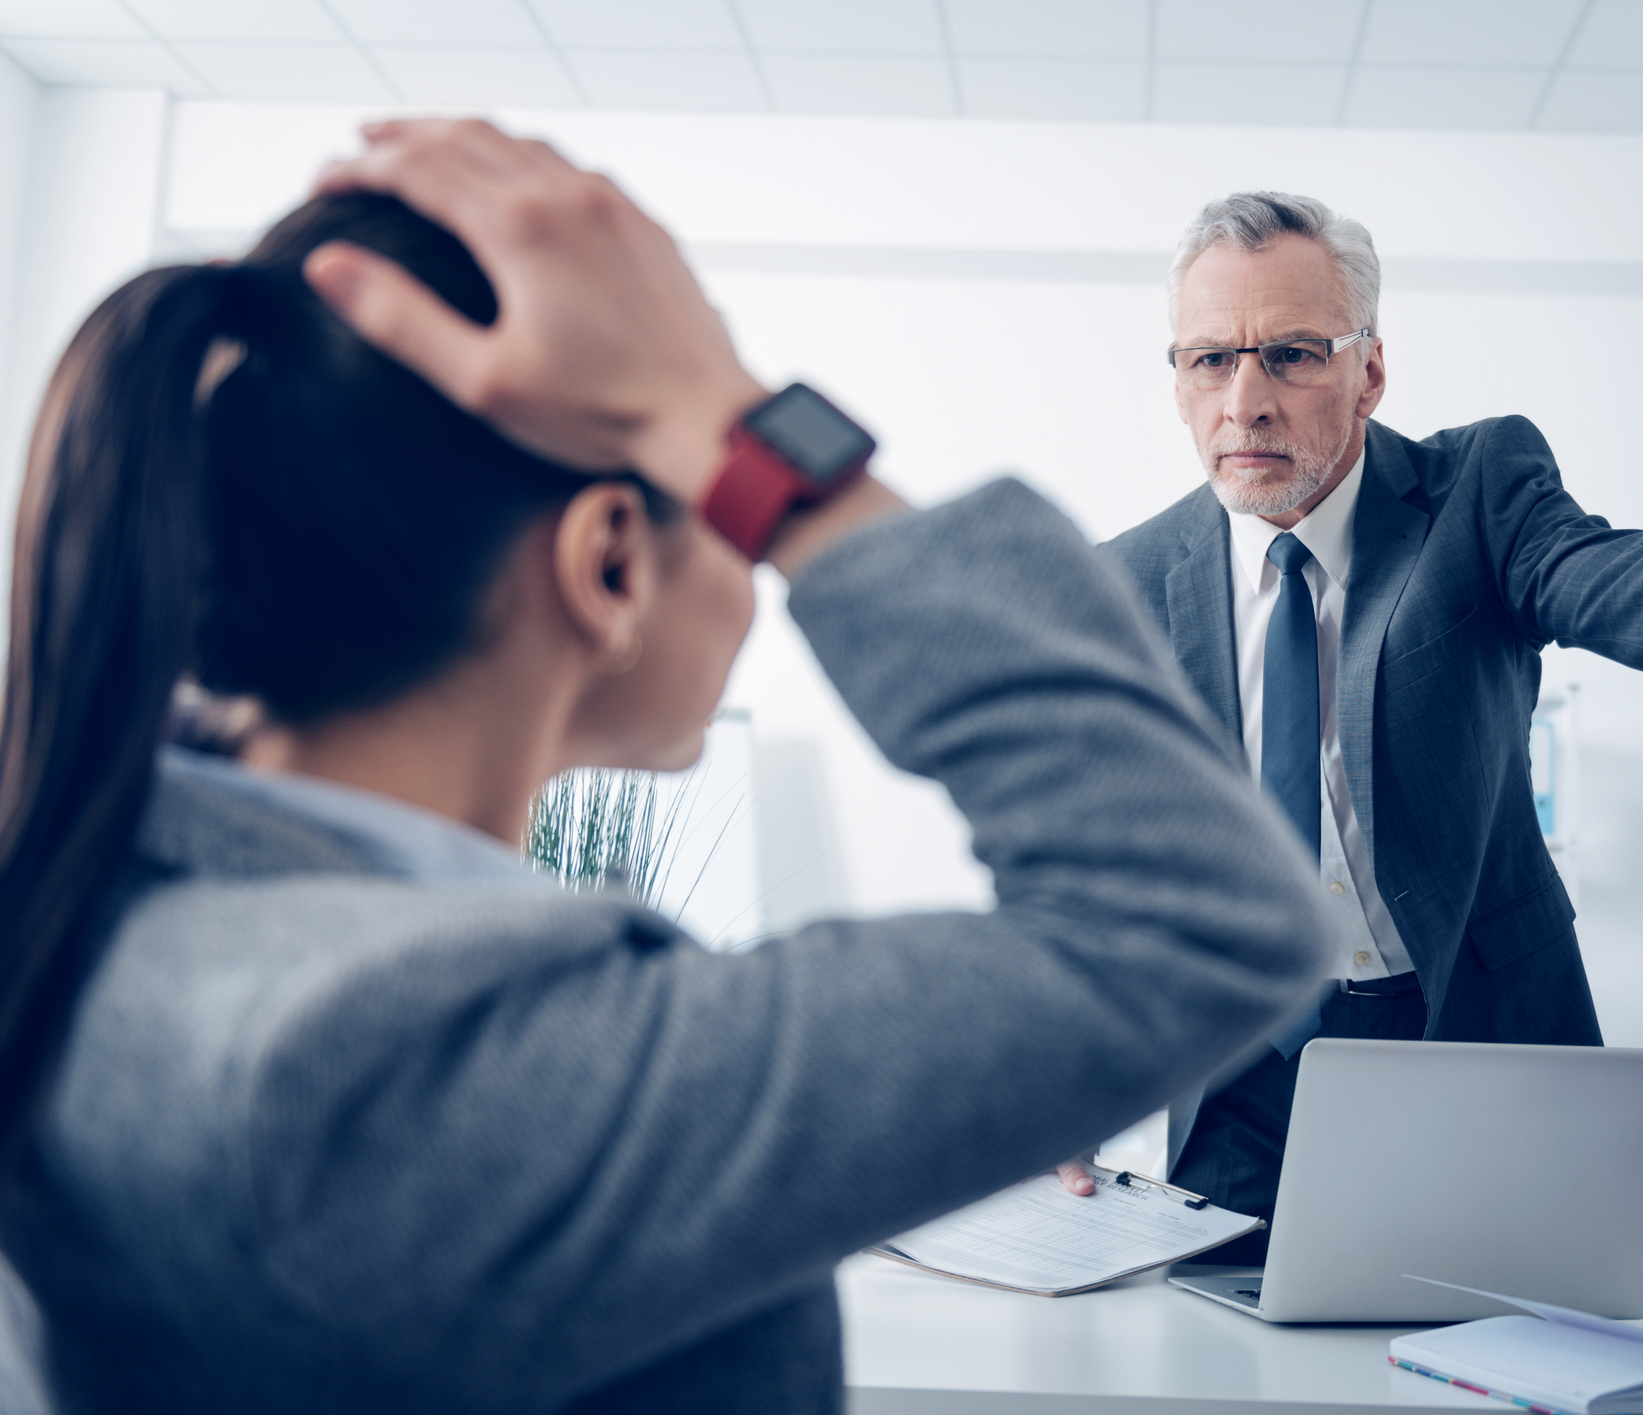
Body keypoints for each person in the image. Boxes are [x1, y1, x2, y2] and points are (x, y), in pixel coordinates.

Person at [0, 123, 1336, 1412]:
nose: (750, 537)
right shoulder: (423, 1058)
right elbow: (1203, 919)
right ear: (609, 564)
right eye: (728, 502)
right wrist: (723, 410)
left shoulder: (114, 907)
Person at [1065, 191, 1643, 1261]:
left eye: (1292, 354)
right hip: (1242, 1077)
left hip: (1473, 1036)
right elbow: (1099, 852)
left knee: (1510, 1340)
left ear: (1369, 370)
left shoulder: (1474, 492)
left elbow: (1594, 570)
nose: (1243, 400)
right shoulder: (1126, 581)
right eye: (1208, 359)